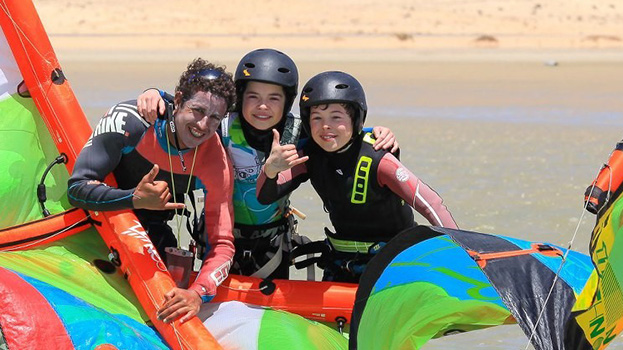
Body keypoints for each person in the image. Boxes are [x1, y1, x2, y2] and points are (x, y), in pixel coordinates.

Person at [136, 48, 399, 280]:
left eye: (274, 98)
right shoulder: (220, 124)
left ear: (287, 101)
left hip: (272, 245)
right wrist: (154, 93)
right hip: (216, 237)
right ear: (240, 96)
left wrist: (376, 131)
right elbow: (187, 107)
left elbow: (339, 135)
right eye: (253, 97)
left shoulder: (299, 132)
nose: (263, 107)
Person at [67, 58, 236, 324]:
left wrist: (197, 293)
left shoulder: (216, 160)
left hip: (151, 233)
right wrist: (134, 199)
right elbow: (77, 188)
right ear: (178, 100)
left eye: (214, 117)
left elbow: (223, 244)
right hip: (93, 223)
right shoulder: (131, 121)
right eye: (198, 111)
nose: (203, 125)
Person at [257, 71, 458, 282]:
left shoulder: (379, 158)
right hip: (343, 262)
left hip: (395, 262)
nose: (326, 126)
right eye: (317, 118)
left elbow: (431, 204)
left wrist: (459, 253)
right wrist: (270, 171)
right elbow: (264, 196)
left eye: (336, 117)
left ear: (356, 119)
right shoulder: (308, 155)